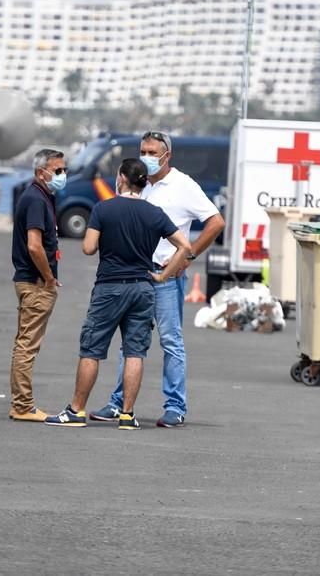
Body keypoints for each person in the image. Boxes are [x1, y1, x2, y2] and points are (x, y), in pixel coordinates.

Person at [90, 130, 225, 428]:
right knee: (130, 342)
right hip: (135, 274)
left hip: (165, 275)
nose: (147, 157)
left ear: (167, 156)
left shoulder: (183, 185)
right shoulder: (138, 184)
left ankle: (175, 406)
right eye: (143, 151)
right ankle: (118, 403)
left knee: (170, 340)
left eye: (153, 152)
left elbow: (216, 222)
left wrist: (187, 258)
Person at [45, 158, 191, 430]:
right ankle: (127, 415)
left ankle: (76, 410)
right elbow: (184, 246)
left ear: (122, 178)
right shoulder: (154, 213)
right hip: (143, 287)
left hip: (110, 286)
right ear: (143, 182)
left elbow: (88, 248)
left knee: (92, 349)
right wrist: (163, 275)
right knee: (135, 351)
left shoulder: (104, 209)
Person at [9, 148, 67, 422]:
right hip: (34, 283)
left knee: (26, 343)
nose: (62, 175)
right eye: (57, 171)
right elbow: (34, 246)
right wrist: (48, 278)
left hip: (34, 280)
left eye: (63, 170)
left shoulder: (41, 197)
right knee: (27, 345)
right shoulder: (35, 200)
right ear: (40, 172)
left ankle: (21, 403)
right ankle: (22, 405)